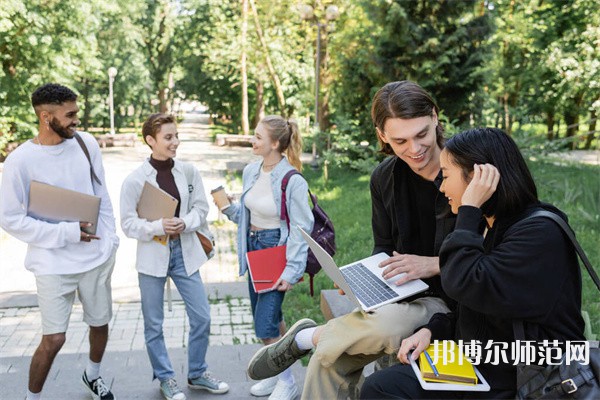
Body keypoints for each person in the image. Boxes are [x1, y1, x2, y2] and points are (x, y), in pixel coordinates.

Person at [246, 81, 456, 399]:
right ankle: (314, 340)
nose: (415, 149)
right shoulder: (385, 178)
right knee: (327, 360)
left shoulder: (464, 171)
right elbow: (383, 245)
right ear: (382, 135)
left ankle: (308, 337)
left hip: (451, 300)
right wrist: (366, 275)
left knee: (377, 330)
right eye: (400, 140)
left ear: (435, 118)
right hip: (399, 292)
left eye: (422, 134)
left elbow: (495, 257)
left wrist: (431, 264)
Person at [360, 127, 586, 399]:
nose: (442, 187)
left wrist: (468, 210)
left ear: (479, 178)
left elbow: (464, 283)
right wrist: (434, 330)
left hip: (529, 372)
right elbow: (481, 306)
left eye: (446, 176)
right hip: (484, 359)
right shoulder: (492, 225)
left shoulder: (538, 233)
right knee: (382, 386)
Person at [0, 83, 119, 400]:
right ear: (45, 116)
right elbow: (10, 218)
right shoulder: (19, 161)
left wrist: (111, 239)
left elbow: (101, 193)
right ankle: (32, 397)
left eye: (76, 113)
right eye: (69, 115)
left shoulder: (85, 143)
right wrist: (66, 232)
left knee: (100, 324)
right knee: (54, 339)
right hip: (52, 264)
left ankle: (92, 377)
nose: (76, 120)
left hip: (96, 257)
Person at [120, 113, 229, 400]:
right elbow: (128, 224)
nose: (175, 142)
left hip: (185, 251)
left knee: (202, 317)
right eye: (168, 137)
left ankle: (196, 373)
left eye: (176, 136)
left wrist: (185, 222)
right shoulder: (135, 180)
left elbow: (202, 209)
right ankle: (166, 378)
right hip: (152, 255)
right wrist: (158, 226)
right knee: (153, 324)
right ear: (150, 141)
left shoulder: (189, 171)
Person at [221, 115, 314, 400]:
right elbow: (250, 214)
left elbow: (302, 227)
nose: (253, 140)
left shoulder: (292, 180)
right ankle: (277, 376)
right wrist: (227, 208)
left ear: (275, 143)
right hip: (254, 248)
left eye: (259, 137)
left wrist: (291, 270)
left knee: (265, 324)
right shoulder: (251, 171)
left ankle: (287, 381)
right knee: (274, 316)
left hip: (276, 251)